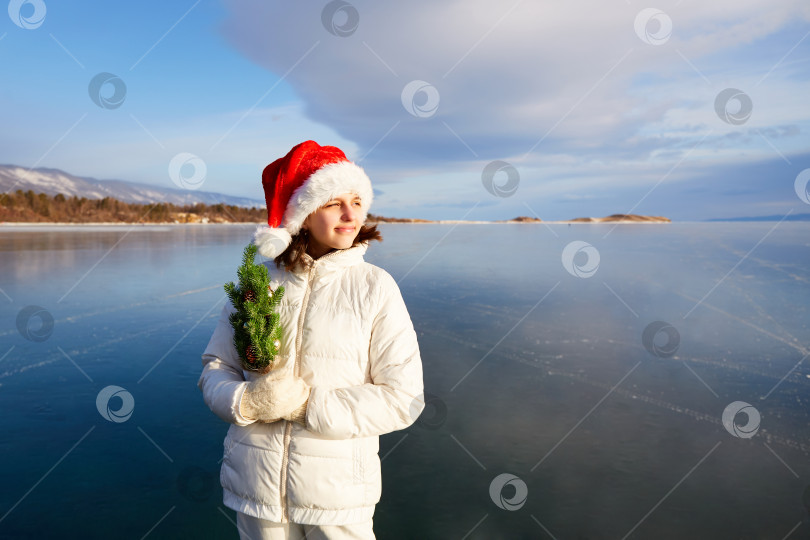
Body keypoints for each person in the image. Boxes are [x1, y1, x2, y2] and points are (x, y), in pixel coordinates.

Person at [197, 140, 425, 540]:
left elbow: (403, 399)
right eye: (333, 202)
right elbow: (217, 369)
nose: (350, 213)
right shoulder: (259, 284)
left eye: (356, 200)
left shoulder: (374, 288)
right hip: (255, 490)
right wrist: (248, 402)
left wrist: (307, 405)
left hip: (336, 498)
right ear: (302, 214)